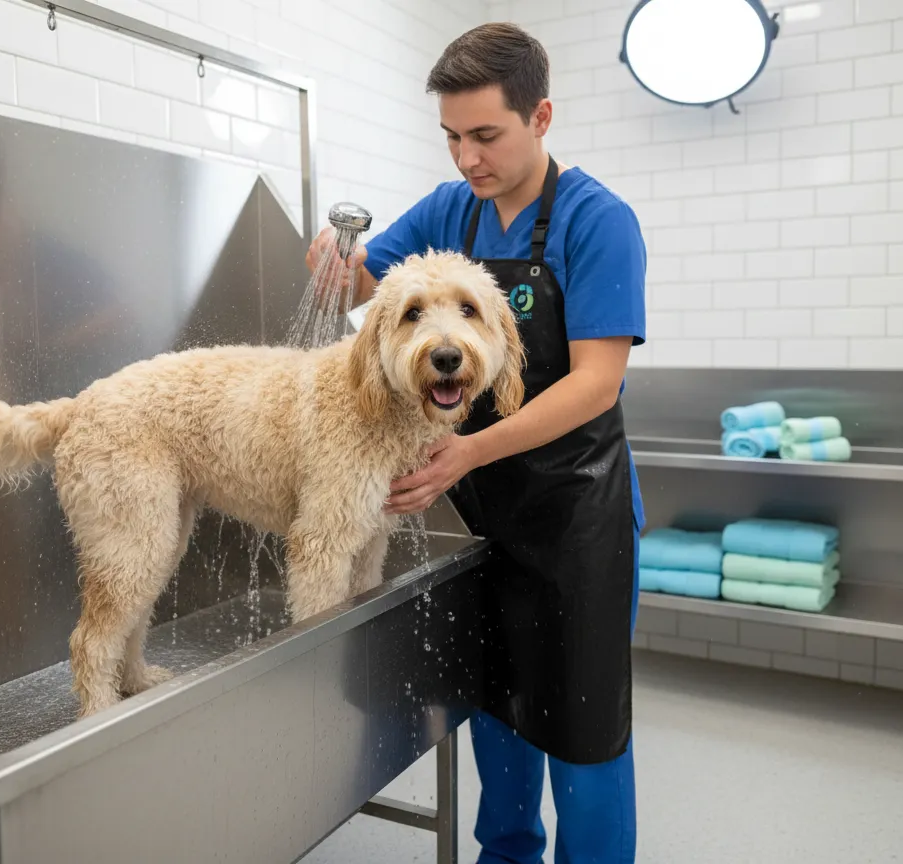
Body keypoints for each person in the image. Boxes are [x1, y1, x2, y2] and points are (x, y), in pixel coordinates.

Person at [306, 22, 646, 864]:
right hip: (479, 519)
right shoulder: (451, 209)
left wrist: (464, 453)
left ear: (541, 117)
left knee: (582, 737)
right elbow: (369, 289)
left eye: (486, 136)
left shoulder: (599, 221)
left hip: (577, 524)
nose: (467, 159)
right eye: (452, 137)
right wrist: (336, 257)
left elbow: (595, 384)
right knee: (498, 717)